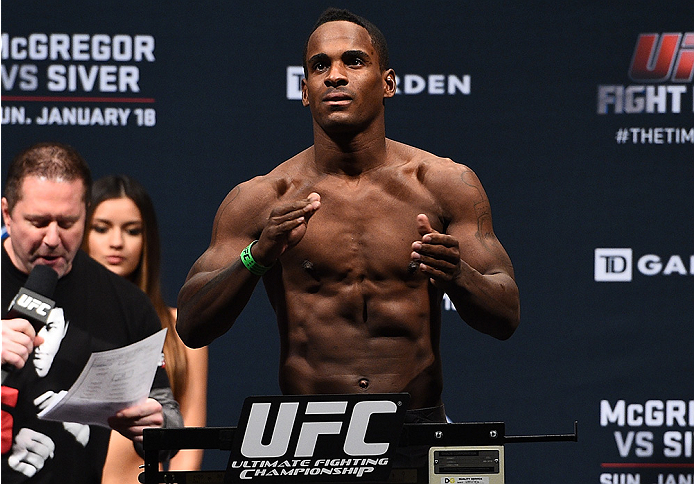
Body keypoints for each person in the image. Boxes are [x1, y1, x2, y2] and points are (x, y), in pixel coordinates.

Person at [178, 7, 519, 426]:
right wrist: (256, 257)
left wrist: (458, 275)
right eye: (320, 66)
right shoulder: (264, 197)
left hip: (416, 427)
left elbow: (507, 315)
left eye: (353, 61)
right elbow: (191, 326)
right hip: (309, 433)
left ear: (388, 83)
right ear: (305, 90)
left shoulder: (443, 184)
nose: (334, 75)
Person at [1, 141, 183, 484]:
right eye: (38, 222)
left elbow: (167, 417)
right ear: (7, 214)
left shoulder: (126, 304)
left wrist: (155, 429)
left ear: (85, 212)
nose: (53, 238)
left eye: (68, 222)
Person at [82, 175, 207, 481]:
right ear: (81, 233)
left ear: (147, 238)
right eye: (101, 228)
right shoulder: (60, 323)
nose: (116, 242)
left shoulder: (181, 328)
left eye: (132, 230)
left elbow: (189, 441)